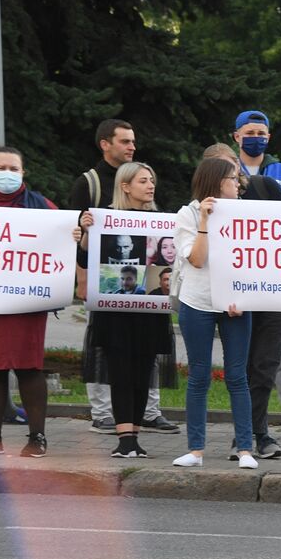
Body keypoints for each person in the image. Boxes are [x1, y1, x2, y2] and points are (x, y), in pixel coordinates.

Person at [68, 118, 178, 435]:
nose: (132, 146)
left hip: (148, 305)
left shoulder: (158, 216)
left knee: (144, 362)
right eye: (125, 141)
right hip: (110, 298)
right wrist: (84, 276)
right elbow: (82, 246)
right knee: (112, 358)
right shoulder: (89, 184)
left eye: (133, 141)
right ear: (106, 143)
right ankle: (108, 417)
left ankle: (145, 414)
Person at [202, 143, 281, 459]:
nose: (230, 172)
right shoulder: (204, 209)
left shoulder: (265, 188)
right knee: (241, 367)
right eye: (220, 168)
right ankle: (247, 434)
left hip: (274, 293)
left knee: (265, 364)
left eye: (231, 164)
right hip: (235, 297)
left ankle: (258, 433)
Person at [170, 158, 257, 470]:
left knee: (237, 376)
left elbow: (254, 259)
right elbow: (196, 259)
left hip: (235, 305)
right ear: (217, 181)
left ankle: (245, 449)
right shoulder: (187, 214)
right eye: (233, 179)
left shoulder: (245, 213)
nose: (238, 184)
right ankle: (195, 450)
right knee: (199, 375)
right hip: (198, 303)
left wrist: (245, 297)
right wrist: (205, 221)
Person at [0, 145, 80, 458]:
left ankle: (37, 438)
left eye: (12, 169)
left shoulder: (42, 206)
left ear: (23, 173)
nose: (6, 174)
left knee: (29, 367)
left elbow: (61, 241)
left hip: (26, 304)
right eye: (0, 167)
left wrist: (71, 237)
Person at [231, 110, 281, 193]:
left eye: (261, 133)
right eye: (250, 133)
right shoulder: (226, 170)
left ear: (268, 137)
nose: (256, 137)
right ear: (237, 136)